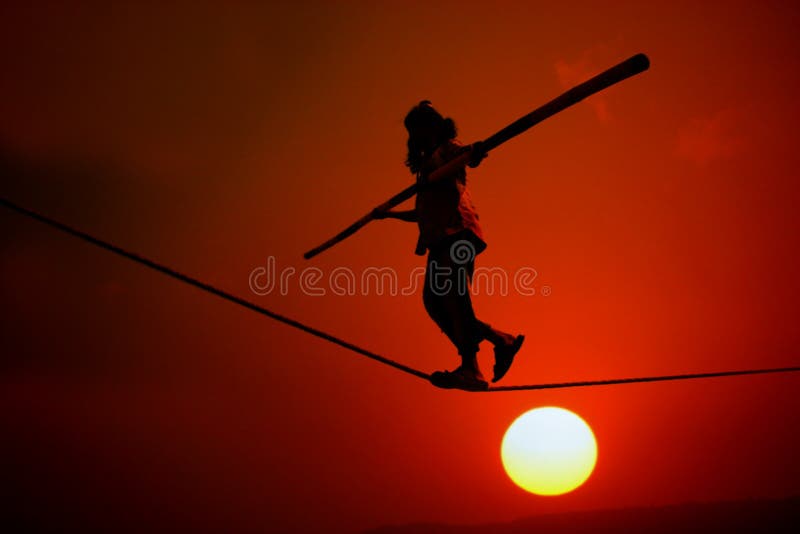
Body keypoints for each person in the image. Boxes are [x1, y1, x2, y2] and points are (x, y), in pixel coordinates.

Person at [373, 100, 524, 391]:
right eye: (414, 131)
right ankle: (500, 340)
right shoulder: (426, 170)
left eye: (421, 128)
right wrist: (387, 214)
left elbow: (468, 155)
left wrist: (475, 152)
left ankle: (471, 368)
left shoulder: (447, 150)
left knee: (455, 297)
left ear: (434, 127)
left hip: (459, 233)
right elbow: (423, 214)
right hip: (440, 239)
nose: (418, 136)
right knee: (434, 302)